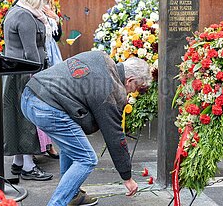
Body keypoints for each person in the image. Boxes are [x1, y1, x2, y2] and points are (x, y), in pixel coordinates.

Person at [21, 51, 151, 205]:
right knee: (87, 158)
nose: (133, 92)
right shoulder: (112, 91)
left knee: (72, 145)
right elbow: (115, 136)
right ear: (130, 80)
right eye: (137, 88)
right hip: (47, 108)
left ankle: (73, 194)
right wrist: (127, 177)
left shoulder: (101, 57)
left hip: (29, 95)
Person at [3, 0, 53, 181]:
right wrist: (41, 75)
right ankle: (29, 167)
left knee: (16, 117)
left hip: (16, 74)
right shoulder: (25, 16)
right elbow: (31, 53)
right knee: (27, 120)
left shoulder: (15, 11)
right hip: (27, 74)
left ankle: (18, 162)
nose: (44, 0)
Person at [34, 0, 62, 159]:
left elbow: (57, 35)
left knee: (52, 98)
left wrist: (56, 18)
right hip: (40, 52)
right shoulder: (32, 7)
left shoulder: (51, 6)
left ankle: (50, 143)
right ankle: (35, 145)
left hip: (53, 52)